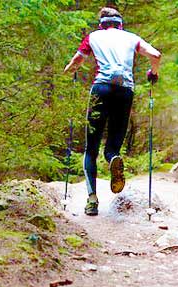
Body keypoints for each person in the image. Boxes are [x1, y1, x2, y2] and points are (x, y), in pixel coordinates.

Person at [64, 6, 161, 216]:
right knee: (112, 147)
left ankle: (92, 200)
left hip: (101, 89)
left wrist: (69, 71)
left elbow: (77, 61)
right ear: (120, 24)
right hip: (125, 91)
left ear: (102, 24)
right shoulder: (131, 38)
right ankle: (113, 159)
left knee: (91, 148)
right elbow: (156, 54)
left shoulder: (93, 37)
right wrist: (153, 73)